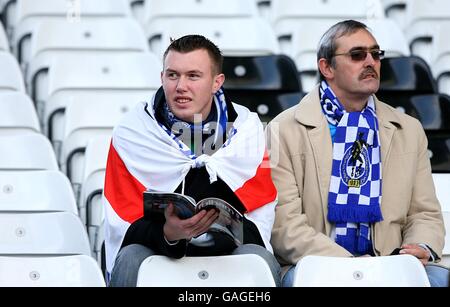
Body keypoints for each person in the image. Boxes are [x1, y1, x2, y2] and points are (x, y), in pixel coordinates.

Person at [265, 20, 449, 287]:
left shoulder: (408, 129)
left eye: (376, 54)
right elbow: (285, 226)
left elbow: (424, 213)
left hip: (391, 263)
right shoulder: (282, 129)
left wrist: (418, 246)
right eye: (357, 55)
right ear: (326, 67)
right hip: (315, 265)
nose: (370, 62)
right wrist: (353, 267)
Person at [103, 35, 281, 286]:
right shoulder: (133, 131)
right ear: (162, 77)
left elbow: (258, 216)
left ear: (216, 82)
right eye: (173, 75)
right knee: (132, 258)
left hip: (227, 253)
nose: (180, 86)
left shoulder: (248, 129)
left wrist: (221, 226)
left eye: (193, 76)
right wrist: (168, 234)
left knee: (258, 259)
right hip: (157, 250)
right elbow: (124, 222)